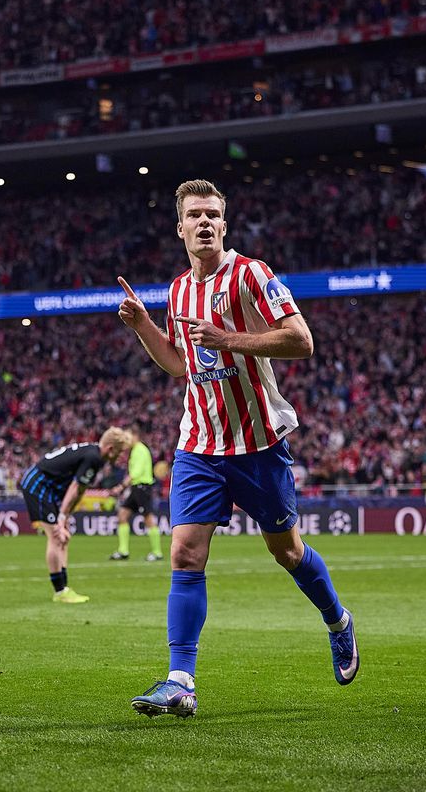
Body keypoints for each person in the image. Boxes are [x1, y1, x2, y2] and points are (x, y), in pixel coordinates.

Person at [118, 178, 358, 718]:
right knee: (184, 551)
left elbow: (302, 341)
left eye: (212, 214)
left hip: (255, 445)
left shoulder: (252, 275)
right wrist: (143, 328)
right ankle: (181, 681)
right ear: (179, 228)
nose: (204, 223)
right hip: (198, 444)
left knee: (287, 552)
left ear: (224, 223)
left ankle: (338, 621)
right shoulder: (179, 291)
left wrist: (230, 339)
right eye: (194, 216)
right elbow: (181, 364)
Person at [19, 428, 134, 603]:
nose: (119, 458)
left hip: (49, 487)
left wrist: (65, 517)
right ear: (110, 448)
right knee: (56, 537)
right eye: (119, 453)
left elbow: (80, 491)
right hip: (39, 485)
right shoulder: (94, 458)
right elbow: (74, 489)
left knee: (64, 538)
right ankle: (60, 591)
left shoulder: (95, 455)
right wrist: (61, 519)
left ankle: (64, 587)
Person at [108, 424, 164, 562]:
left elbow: (135, 473)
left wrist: (121, 487)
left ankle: (157, 552)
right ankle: (123, 551)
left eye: (128, 437)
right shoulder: (136, 450)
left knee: (148, 518)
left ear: (135, 436)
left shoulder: (140, 450)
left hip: (142, 487)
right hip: (136, 488)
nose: (126, 440)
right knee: (122, 515)